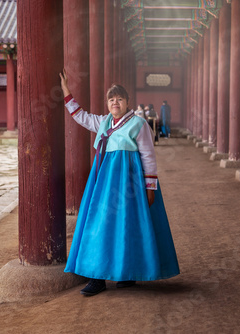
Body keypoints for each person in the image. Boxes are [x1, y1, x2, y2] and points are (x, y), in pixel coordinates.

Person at [59, 70, 180, 296]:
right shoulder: (103, 122)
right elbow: (80, 115)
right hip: (103, 180)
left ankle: (127, 272)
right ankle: (97, 277)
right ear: (107, 103)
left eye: (120, 98)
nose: (115, 102)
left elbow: (148, 156)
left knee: (127, 225)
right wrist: (66, 91)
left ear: (127, 102)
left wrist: (150, 187)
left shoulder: (138, 124)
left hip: (129, 183)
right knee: (100, 223)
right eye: (111, 99)